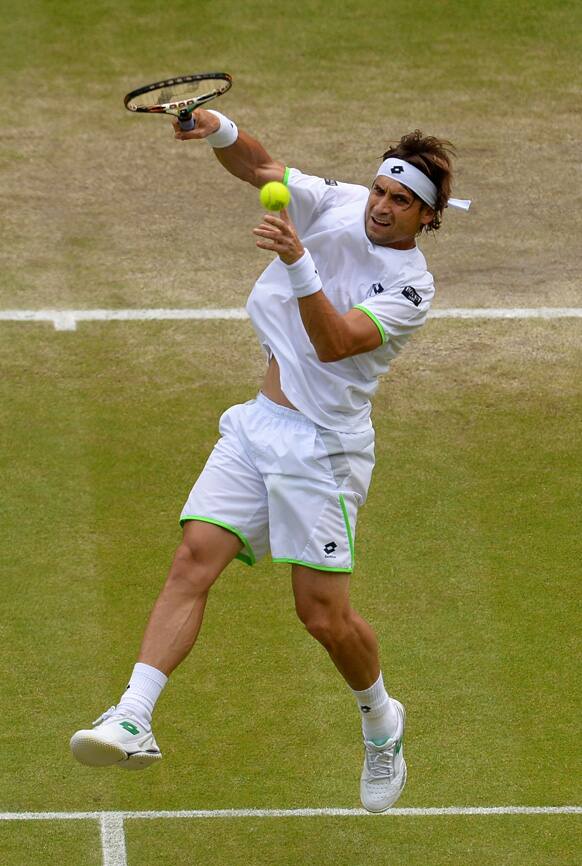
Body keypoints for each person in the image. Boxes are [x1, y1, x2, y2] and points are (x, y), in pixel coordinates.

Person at [71, 108, 461, 812]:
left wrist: (296, 259)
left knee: (322, 618)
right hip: (259, 424)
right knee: (194, 556)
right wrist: (220, 128)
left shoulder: (411, 288)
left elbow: (337, 341)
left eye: (401, 201)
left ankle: (380, 719)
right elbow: (260, 168)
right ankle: (133, 714)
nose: (381, 206)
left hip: (324, 449)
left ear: (427, 218)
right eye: (380, 190)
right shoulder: (341, 202)